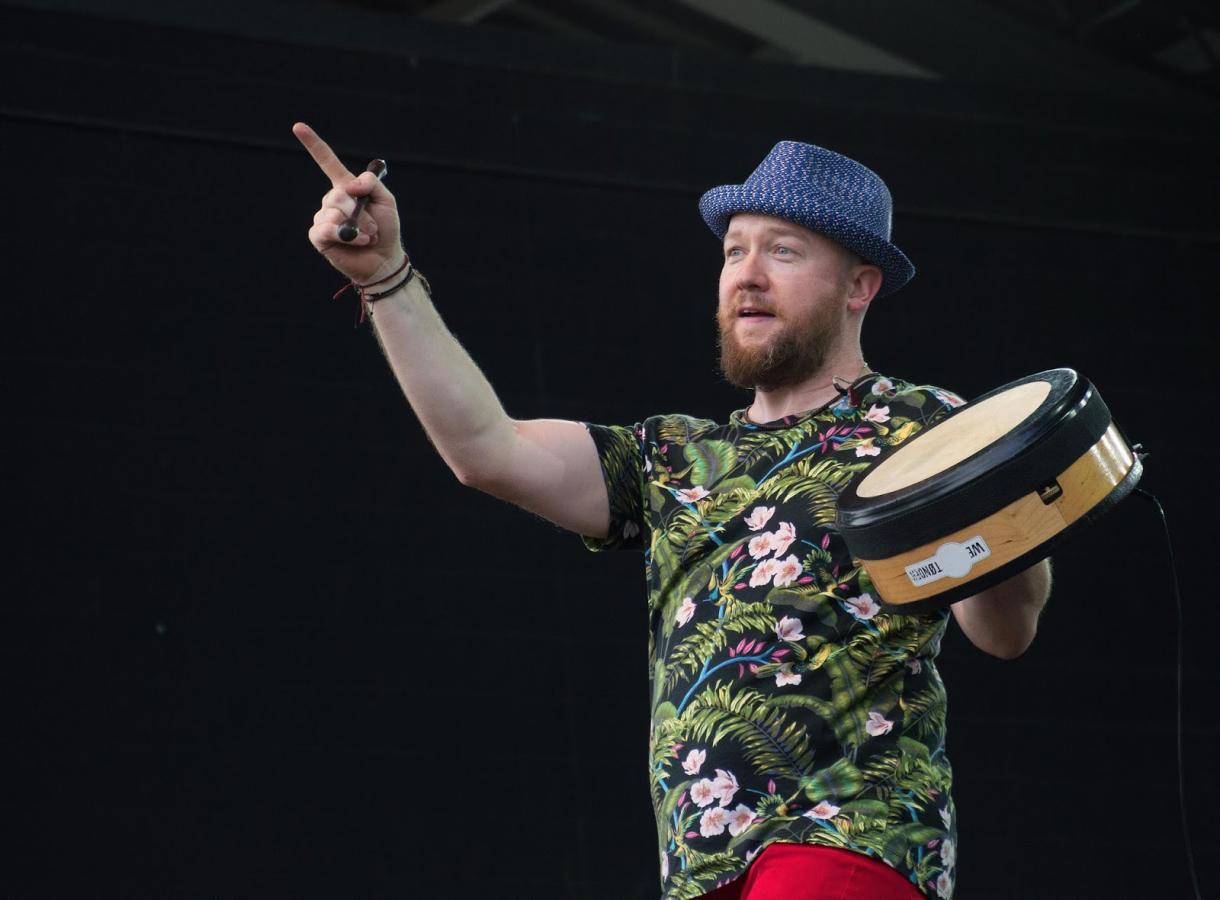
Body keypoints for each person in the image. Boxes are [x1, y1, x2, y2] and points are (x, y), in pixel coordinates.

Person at [294, 124, 1052, 900]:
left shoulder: (923, 428)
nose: (747, 276)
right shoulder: (676, 460)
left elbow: (1003, 631)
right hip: (701, 870)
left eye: (782, 252)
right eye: (733, 252)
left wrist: (1000, 510)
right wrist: (385, 278)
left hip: (847, 844)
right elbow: (485, 450)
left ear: (859, 287)